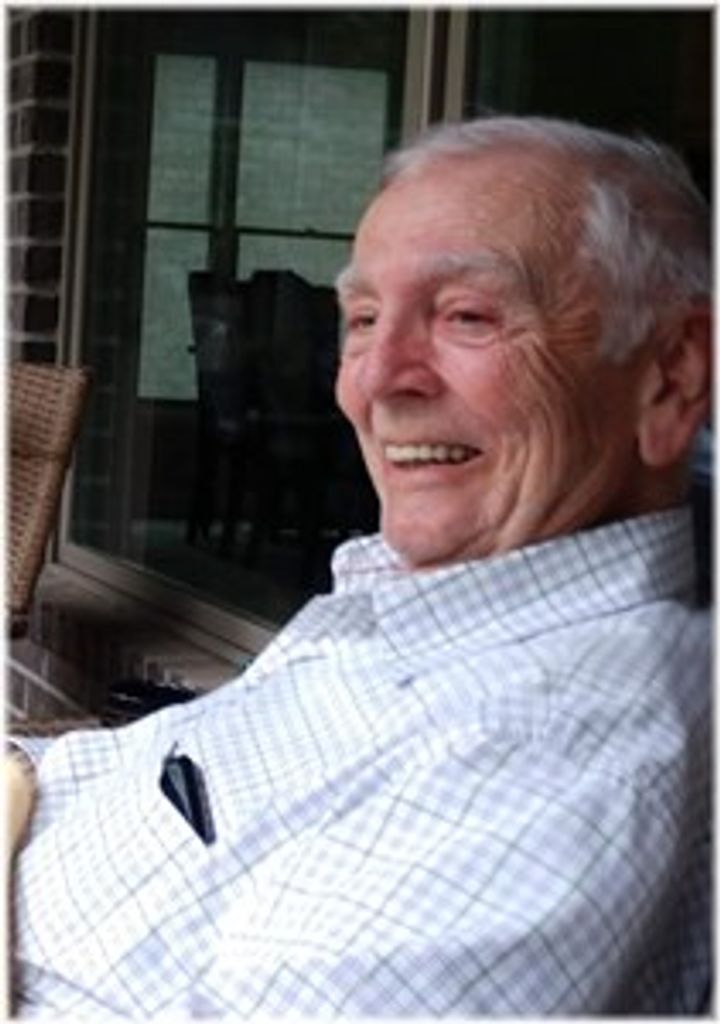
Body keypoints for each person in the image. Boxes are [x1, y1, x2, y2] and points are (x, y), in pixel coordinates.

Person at [8, 115, 711, 1017]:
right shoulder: (455, 605)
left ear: (670, 376)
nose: (374, 380)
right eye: (364, 320)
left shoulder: (556, 754)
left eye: (467, 316)